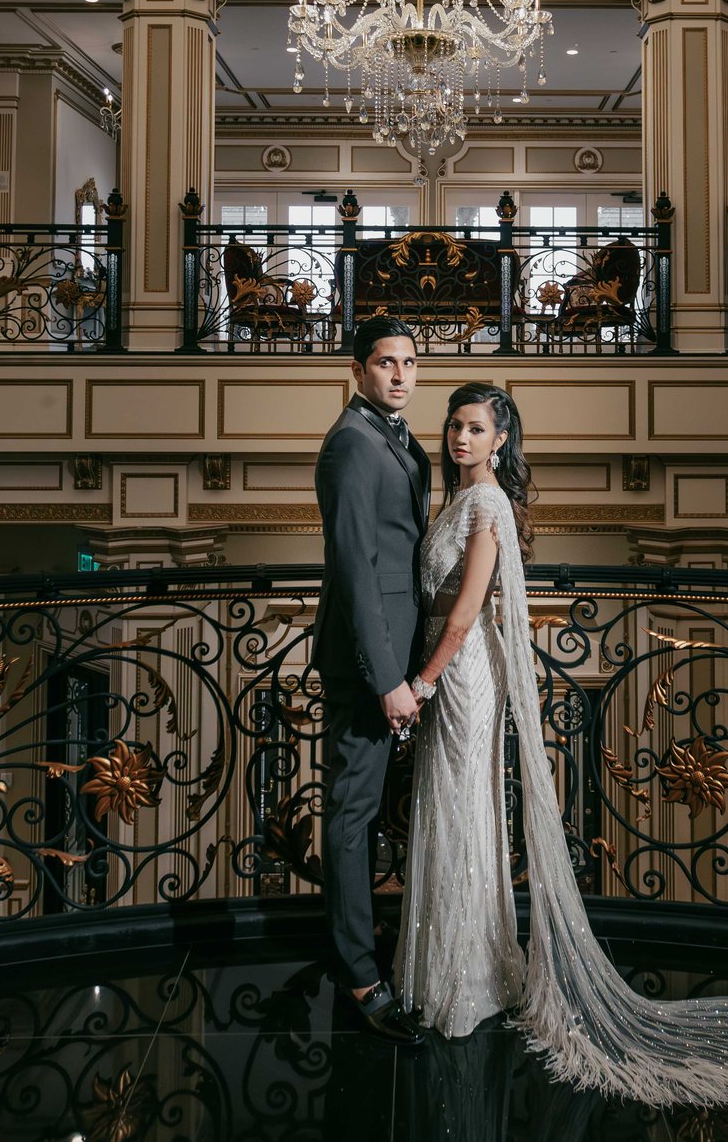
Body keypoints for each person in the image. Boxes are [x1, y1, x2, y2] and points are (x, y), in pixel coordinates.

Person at [397, 382, 728, 1103]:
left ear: (501, 439)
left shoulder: (487, 505)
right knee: (449, 809)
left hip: (461, 672)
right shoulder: (453, 501)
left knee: (462, 810)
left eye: (476, 427)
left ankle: (466, 979)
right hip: (445, 664)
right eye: (455, 424)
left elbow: (463, 615)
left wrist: (420, 684)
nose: (460, 437)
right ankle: (451, 962)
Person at [313, 314, 432, 1042]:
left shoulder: (395, 436)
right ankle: (359, 972)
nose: (399, 374)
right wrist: (389, 678)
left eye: (409, 362)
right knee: (351, 816)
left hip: (395, 659)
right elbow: (356, 571)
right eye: (385, 362)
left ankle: (375, 940)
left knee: (370, 812)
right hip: (368, 668)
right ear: (359, 370)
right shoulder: (352, 445)